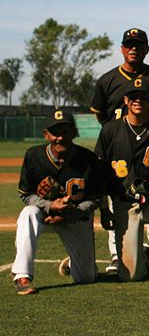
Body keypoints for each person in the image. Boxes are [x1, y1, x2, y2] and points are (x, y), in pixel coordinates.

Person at [91, 27, 149, 273]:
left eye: (139, 45)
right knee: (117, 193)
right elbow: (100, 114)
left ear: (147, 49)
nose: (133, 49)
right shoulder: (107, 80)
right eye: (129, 45)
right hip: (118, 144)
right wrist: (117, 133)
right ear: (121, 49)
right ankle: (118, 254)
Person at [94, 80, 149, 291]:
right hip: (125, 202)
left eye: (143, 97)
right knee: (130, 276)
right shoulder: (110, 130)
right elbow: (100, 173)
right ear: (125, 101)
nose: (138, 101)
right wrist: (104, 209)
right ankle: (141, 255)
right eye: (133, 97)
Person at [13, 110, 104, 295]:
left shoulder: (88, 159)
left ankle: (72, 264)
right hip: (44, 214)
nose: (60, 137)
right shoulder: (33, 156)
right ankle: (22, 276)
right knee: (28, 214)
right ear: (46, 134)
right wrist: (50, 206)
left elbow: (95, 199)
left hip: (76, 216)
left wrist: (68, 214)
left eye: (66, 131)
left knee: (86, 278)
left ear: (74, 133)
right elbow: (26, 194)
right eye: (55, 132)